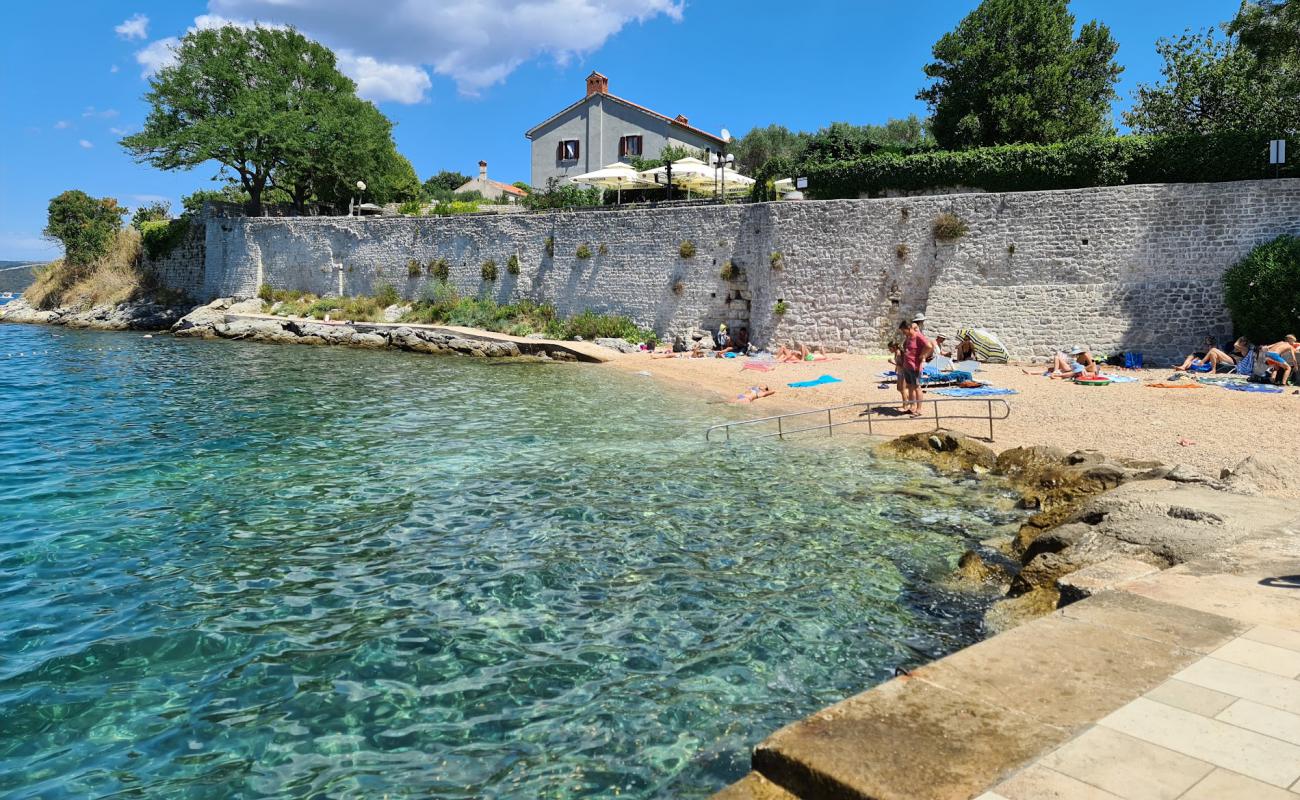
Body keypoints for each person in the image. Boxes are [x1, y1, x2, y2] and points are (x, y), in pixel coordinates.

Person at [898, 319, 932, 416]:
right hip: (907, 366)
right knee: (910, 387)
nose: (903, 333)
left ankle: (919, 409)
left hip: (915, 367)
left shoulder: (918, 336)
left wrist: (923, 355)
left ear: (908, 328)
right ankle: (912, 407)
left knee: (917, 387)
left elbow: (929, 346)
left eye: (903, 331)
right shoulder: (908, 337)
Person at [1175, 337, 1248, 373]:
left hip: (1233, 361)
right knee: (1213, 353)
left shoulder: (1245, 349)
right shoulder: (1236, 349)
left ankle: (1202, 362)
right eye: (1240, 341)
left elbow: (1235, 344)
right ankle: (1213, 370)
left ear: (1245, 342)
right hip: (1228, 359)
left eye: (1242, 341)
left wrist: (1239, 340)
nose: (1240, 342)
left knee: (1213, 350)